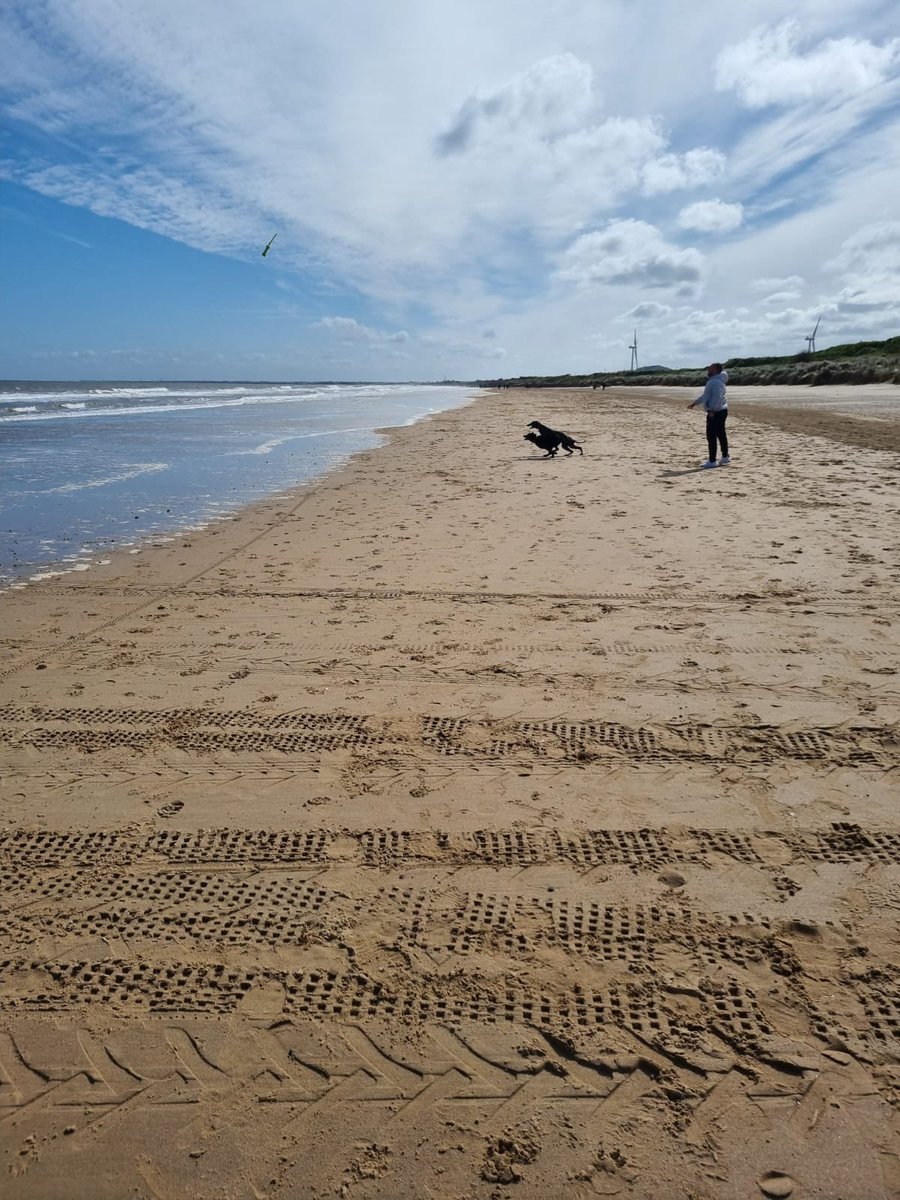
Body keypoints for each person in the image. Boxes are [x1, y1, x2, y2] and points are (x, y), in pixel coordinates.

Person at [687, 362, 730, 467]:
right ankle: (725, 457)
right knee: (721, 434)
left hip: (716, 411)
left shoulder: (714, 382)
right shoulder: (718, 381)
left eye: (710, 369)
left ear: (715, 370)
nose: (708, 371)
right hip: (722, 410)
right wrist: (695, 403)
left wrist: (711, 410)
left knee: (711, 436)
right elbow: (705, 396)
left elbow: (716, 398)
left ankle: (712, 461)